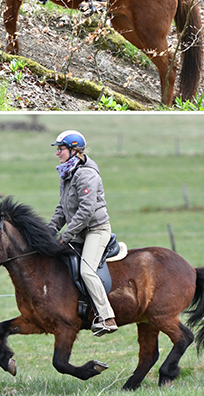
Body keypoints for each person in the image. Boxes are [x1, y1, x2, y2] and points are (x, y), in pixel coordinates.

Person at [47, 130, 118, 336]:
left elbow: (86, 211)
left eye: (60, 149)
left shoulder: (86, 174)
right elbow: (62, 208)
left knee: (87, 271)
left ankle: (107, 317)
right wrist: (49, 231)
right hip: (79, 232)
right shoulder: (67, 173)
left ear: (74, 150)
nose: (58, 153)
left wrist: (66, 235)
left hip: (95, 230)